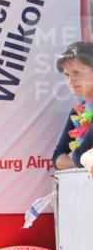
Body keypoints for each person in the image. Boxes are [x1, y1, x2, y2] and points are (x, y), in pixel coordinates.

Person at [52, 41, 93, 176]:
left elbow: (80, 153)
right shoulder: (79, 110)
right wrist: (82, 161)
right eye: (67, 75)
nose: (71, 81)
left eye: (76, 72)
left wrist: (79, 157)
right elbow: (57, 158)